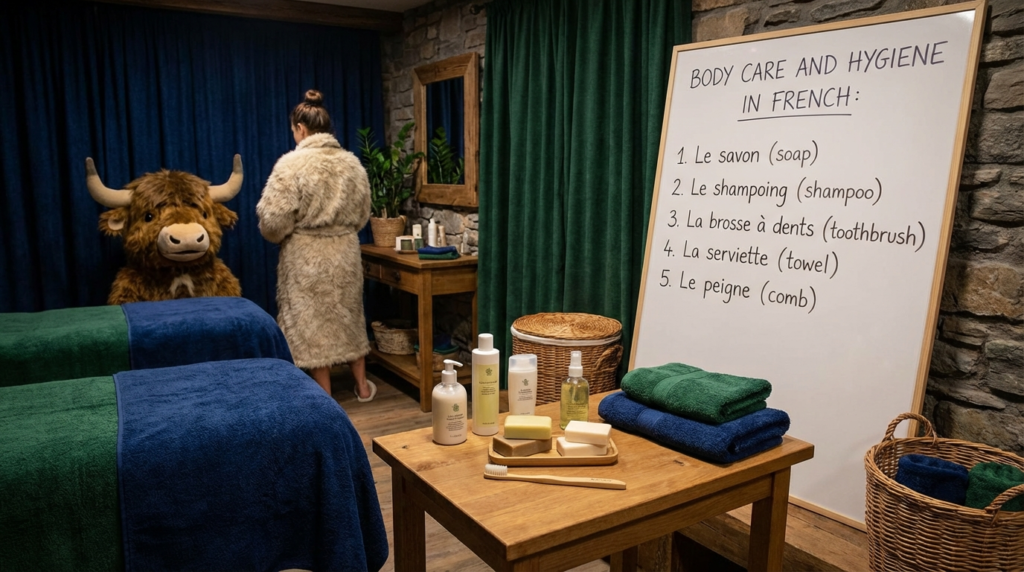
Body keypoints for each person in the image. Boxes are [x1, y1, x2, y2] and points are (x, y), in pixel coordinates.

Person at [257, 89, 376, 402]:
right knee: (349, 317)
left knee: (312, 324)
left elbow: (272, 222)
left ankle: (325, 396)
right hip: (345, 254)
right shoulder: (353, 165)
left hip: (306, 258)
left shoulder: (291, 165)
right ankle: (363, 387)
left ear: (301, 129)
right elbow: (363, 215)